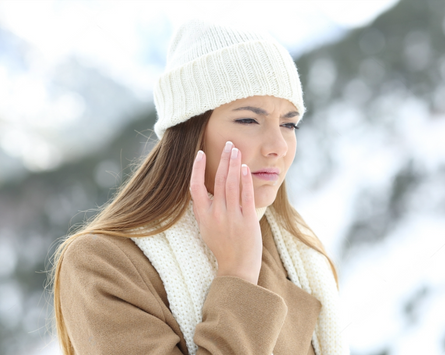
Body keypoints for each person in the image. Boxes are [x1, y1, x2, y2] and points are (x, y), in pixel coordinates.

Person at [50, 18, 347, 355]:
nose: (278, 145)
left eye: (289, 123)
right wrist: (237, 275)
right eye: (249, 120)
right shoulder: (104, 263)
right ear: (189, 131)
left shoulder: (295, 253)